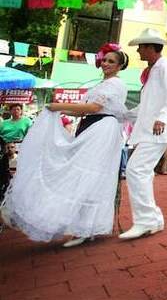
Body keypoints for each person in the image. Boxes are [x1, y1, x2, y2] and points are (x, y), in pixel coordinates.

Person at [0, 44, 128, 248]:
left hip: (103, 128)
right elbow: (83, 111)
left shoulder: (114, 84)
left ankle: (85, 228)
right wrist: (57, 112)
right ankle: (84, 227)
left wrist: (59, 106)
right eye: (104, 60)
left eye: (111, 61)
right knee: (84, 174)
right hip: (91, 125)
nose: (105, 64)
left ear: (120, 66)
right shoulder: (101, 84)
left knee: (86, 174)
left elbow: (94, 108)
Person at [119, 28, 167, 240]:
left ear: (150, 47)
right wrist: (124, 115)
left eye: (141, 47)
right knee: (140, 171)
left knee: (136, 170)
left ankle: (146, 221)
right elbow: (146, 106)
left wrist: (162, 118)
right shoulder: (154, 69)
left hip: (159, 129)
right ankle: (153, 219)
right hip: (150, 129)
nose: (138, 51)